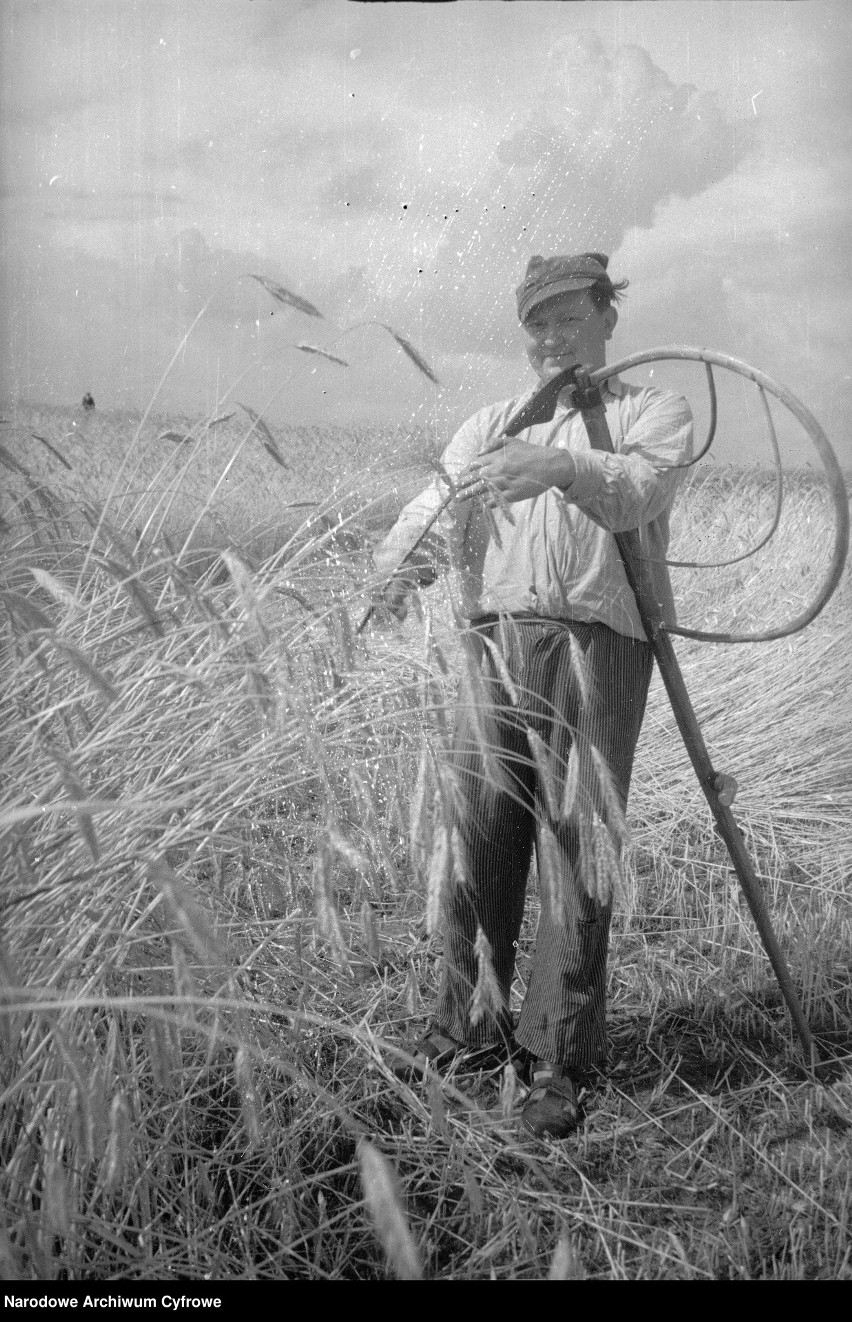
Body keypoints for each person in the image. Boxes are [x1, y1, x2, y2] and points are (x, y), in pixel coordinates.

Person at [373, 252, 693, 1138]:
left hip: (600, 640)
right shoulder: (490, 423)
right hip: (496, 639)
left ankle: (557, 1059)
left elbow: (639, 492)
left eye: (568, 317)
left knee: (578, 849)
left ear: (606, 317)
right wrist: (392, 573)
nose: (552, 338)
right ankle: (465, 1028)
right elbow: (435, 502)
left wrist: (560, 471)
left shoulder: (652, 411)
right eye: (538, 324)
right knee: (477, 838)